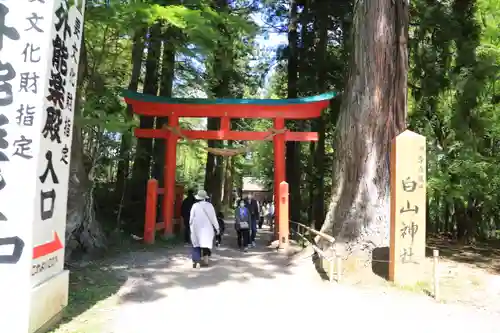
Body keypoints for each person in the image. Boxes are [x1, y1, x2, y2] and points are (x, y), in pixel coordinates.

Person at [190, 190, 220, 268]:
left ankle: (196, 262)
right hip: (207, 228)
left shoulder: (195, 206)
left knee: (196, 244)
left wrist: (191, 226)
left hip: (196, 227)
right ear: (205, 198)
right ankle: (206, 261)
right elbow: (213, 218)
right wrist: (217, 228)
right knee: (205, 244)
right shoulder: (210, 206)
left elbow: (191, 218)